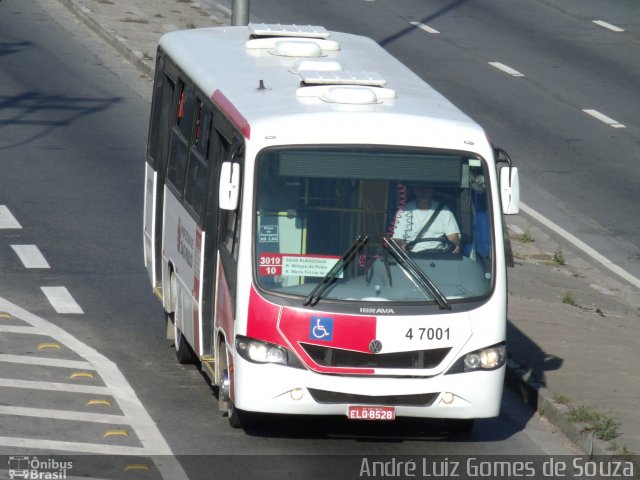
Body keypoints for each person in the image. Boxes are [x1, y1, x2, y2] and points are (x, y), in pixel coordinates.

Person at [392, 185, 461, 254]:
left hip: (438, 255)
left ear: (432, 191)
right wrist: (400, 245)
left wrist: (454, 246)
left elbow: (453, 237)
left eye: (427, 188)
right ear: (414, 190)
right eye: (420, 188)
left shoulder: (444, 211)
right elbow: (397, 239)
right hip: (410, 257)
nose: (423, 192)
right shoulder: (404, 211)